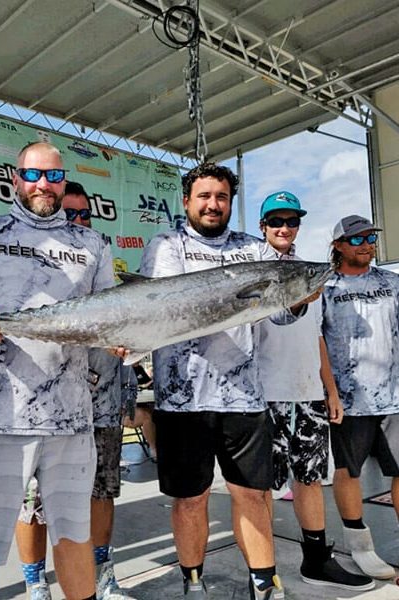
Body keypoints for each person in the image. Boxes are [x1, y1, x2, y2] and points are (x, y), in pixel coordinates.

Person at [0, 143, 116, 600]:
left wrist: (124, 338)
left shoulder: (92, 244)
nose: (44, 185)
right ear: (15, 178)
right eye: (34, 175)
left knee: (76, 540)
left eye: (54, 177)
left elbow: (112, 320)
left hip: (73, 422)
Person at [140, 162, 306, 600]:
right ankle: (194, 583)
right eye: (205, 196)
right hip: (181, 401)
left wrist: (301, 297)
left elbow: (284, 313)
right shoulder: (165, 246)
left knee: (251, 496)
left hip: (244, 400)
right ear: (187, 201)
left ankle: (264, 583)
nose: (213, 205)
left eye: (222, 197)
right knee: (189, 501)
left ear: (231, 203)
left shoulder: (255, 250)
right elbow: (153, 311)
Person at [14, 181, 138, 600]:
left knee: (101, 494)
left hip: (101, 405)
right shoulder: (31, 267)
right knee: (35, 504)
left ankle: (103, 577)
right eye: (71, 214)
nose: (80, 222)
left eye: (86, 215)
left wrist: (128, 381)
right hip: (47, 408)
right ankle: (35, 585)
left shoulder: (103, 261)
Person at [257, 193, 373, 591]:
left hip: (307, 393)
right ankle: (263, 570)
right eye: (275, 220)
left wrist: (331, 389)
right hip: (264, 393)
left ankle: (317, 560)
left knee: (309, 480)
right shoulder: (250, 268)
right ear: (263, 226)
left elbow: (317, 336)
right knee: (262, 487)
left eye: (292, 220)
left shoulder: (312, 273)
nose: (284, 227)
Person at [322, 214, 399, 580]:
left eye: (370, 237)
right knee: (348, 471)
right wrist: (331, 391)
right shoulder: (325, 286)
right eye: (356, 239)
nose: (366, 244)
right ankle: (361, 547)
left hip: (396, 398)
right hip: (350, 401)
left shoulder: (392, 282)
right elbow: (316, 340)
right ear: (337, 245)